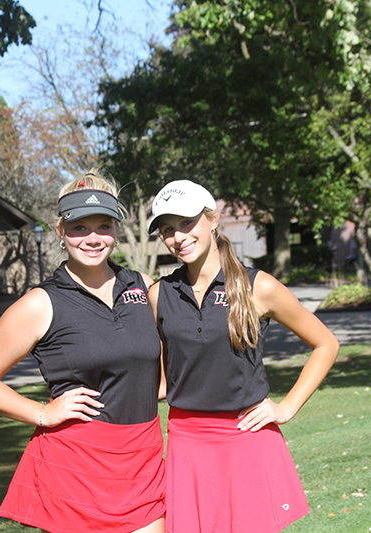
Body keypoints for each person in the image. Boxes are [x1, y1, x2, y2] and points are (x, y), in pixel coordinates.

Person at [0, 170, 166, 533]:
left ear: (116, 229)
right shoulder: (40, 303)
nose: (93, 238)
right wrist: (42, 412)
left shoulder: (142, 286)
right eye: (79, 228)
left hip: (142, 456)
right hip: (77, 465)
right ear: (60, 231)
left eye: (103, 225)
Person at [147, 180, 340, 533]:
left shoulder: (258, 287)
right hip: (187, 441)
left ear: (213, 219)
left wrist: (286, 407)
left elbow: (326, 344)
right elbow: (161, 379)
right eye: (167, 229)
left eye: (187, 223)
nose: (178, 237)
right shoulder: (160, 294)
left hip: (246, 436)